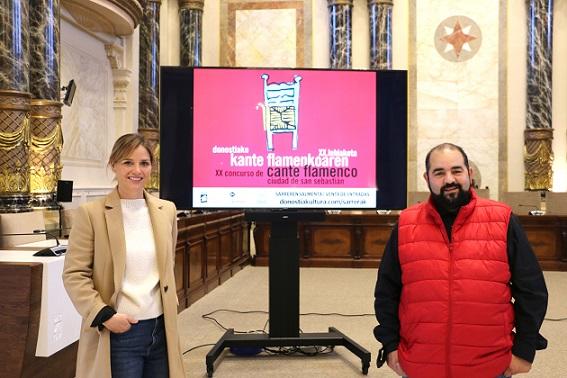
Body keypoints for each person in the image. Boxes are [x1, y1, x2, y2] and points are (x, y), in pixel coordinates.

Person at [373, 143, 548, 378]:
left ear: (469, 173)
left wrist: (525, 351)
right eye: (439, 172)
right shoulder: (406, 223)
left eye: (456, 170)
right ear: (427, 178)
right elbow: (387, 292)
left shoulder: (503, 219)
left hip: (489, 367)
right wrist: (391, 345)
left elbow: (532, 291)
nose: (449, 179)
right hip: (420, 366)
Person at [63, 133, 185, 378]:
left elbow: (166, 264)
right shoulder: (91, 214)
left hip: (161, 329)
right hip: (119, 332)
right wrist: (105, 316)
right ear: (113, 165)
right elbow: (75, 274)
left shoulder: (166, 210)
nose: (137, 170)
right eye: (128, 162)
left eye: (144, 163)